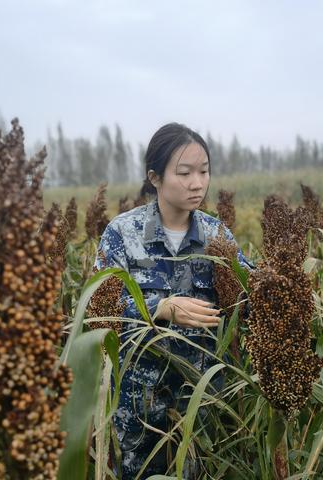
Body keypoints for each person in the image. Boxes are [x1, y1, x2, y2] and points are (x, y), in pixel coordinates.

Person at [93, 122, 251, 479]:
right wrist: (158, 309)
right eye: (184, 173)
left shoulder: (216, 234)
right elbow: (98, 313)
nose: (197, 183)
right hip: (139, 408)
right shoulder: (122, 233)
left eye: (204, 171)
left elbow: (246, 292)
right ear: (155, 177)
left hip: (203, 404)